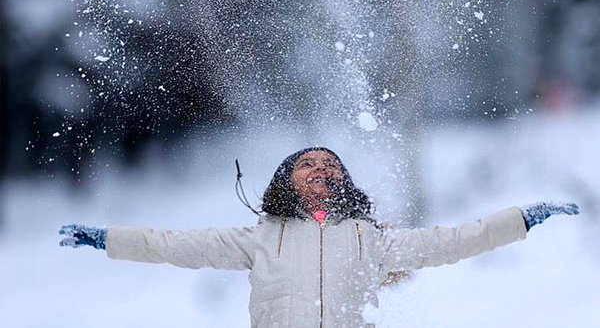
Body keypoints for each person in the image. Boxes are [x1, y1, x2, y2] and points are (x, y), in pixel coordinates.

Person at [59, 147, 579, 328]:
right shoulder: (259, 238)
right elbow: (171, 244)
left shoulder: (372, 240)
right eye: (306, 164)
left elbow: (453, 241)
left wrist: (522, 219)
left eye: (330, 164)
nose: (319, 169)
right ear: (286, 180)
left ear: (344, 181)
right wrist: (106, 238)